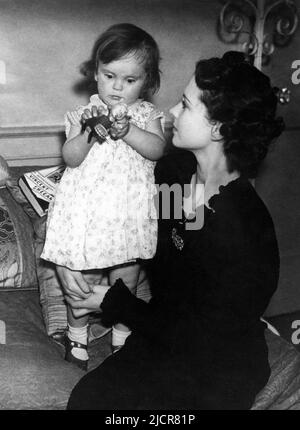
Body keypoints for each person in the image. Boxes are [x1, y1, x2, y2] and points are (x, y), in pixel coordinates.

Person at [62, 51, 285, 409]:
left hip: (216, 366)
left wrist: (114, 302)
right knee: (87, 401)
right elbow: (142, 232)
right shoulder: (174, 177)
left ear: (219, 128)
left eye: (185, 105)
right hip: (161, 335)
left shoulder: (242, 229)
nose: (171, 113)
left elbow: (202, 337)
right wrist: (69, 257)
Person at [41, 23, 166, 370]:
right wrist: (88, 134)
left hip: (128, 216)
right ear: (95, 73)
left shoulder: (145, 115)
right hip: (87, 215)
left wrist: (129, 132)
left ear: (147, 81)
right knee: (80, 280)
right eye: (110, 76)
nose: (117, 87)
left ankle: (122, 340)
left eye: (130, 80)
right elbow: (71, 158)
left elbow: (156, 150)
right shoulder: (83, 115)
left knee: (126, 279)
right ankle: (76, 336)